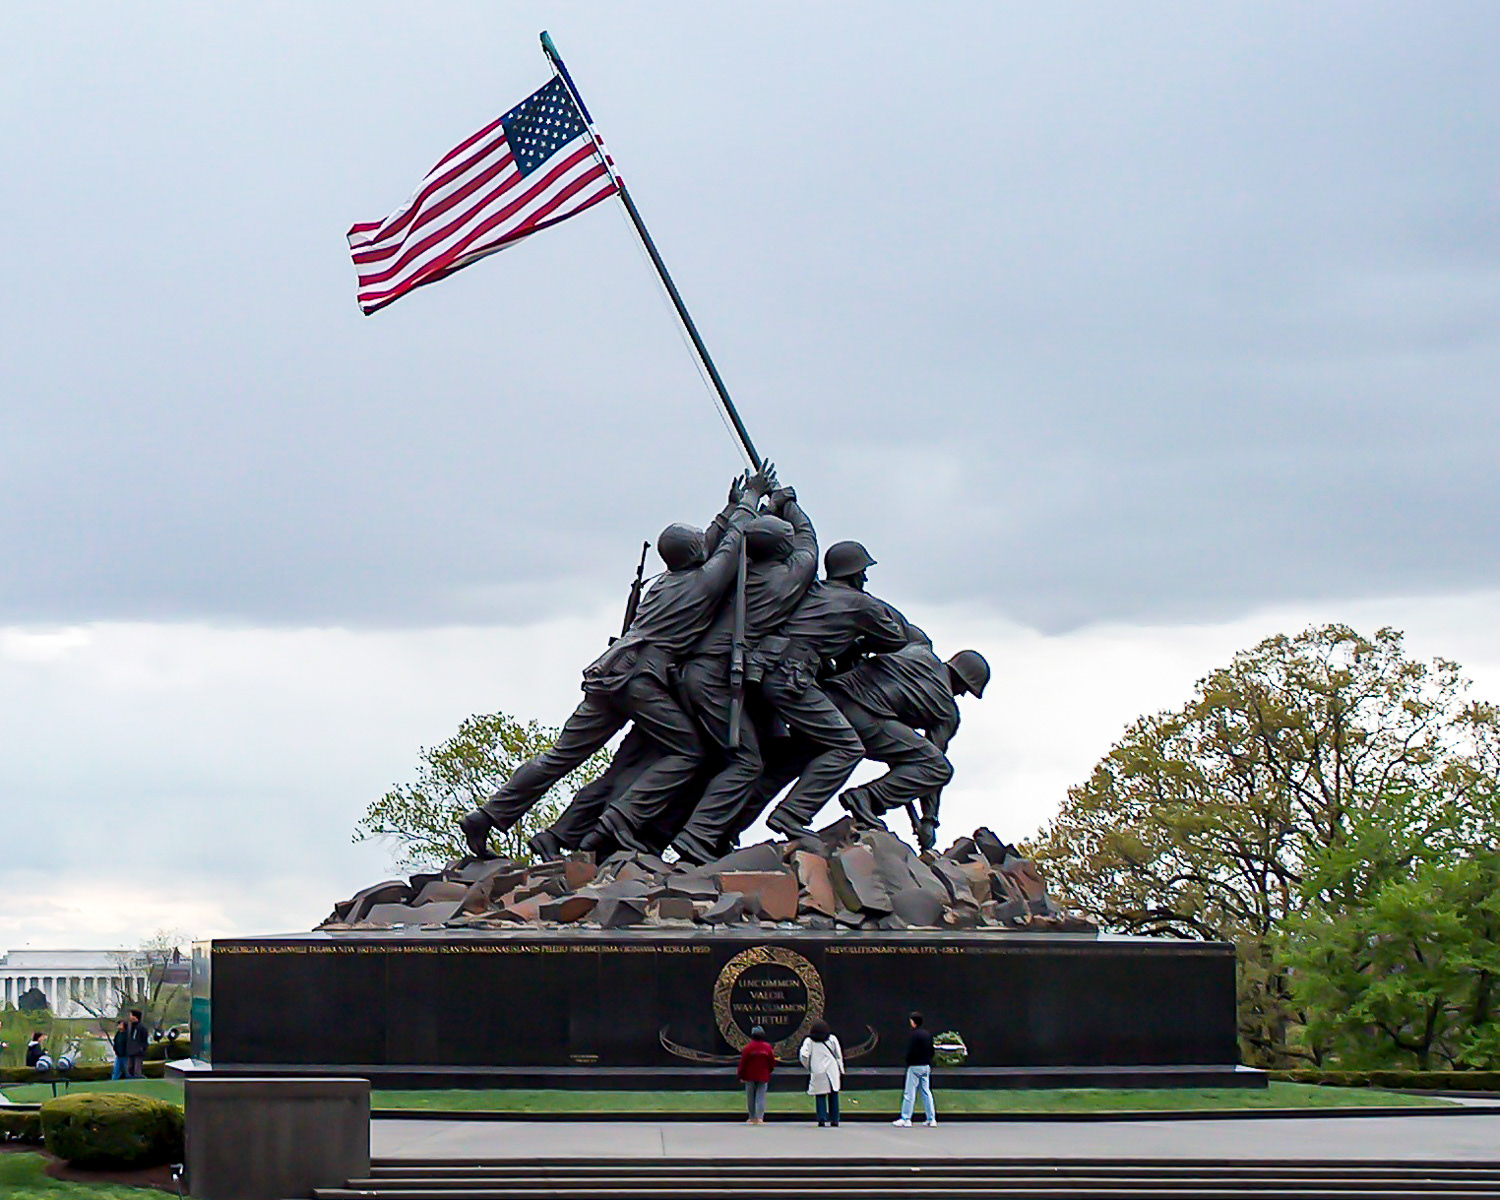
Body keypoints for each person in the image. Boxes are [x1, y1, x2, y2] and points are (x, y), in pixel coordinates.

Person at [458, 469, 771, 860]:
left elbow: (711, 542)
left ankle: (487, 816)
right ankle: (620, 820)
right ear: (696, 555)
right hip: (641, 680)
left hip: (609, 673)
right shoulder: (702, 583)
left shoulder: (665, 582)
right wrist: (749, 502)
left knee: (560, 757)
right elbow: (729, 547)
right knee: (689, 751)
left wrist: (729, 507)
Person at [893, 1011, 936, 1127]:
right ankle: (931, 1119)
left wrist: (908, 1061)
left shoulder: (914, 1035)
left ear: (913, 1022)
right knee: (926, 1092)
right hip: (926, 1066)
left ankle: (906, 1118)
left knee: (909, 1093)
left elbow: (911, 1051)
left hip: (914, 1066)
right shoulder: (927, 1034)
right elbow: (932, 1051)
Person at [798, 1018, 844, 1127]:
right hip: (832, 1070)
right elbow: (838, 1054)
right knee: (833, 1094)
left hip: (818, 1070)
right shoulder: (832, 1039)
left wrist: (809, 1066)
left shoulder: (809, 1041)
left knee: (820, 1095)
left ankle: (822, 1118)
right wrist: (841, 1069)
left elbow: (803, 1055)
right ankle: (835, 1119)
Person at [736, 1024, 776, 1125]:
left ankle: (752, 1117)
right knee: (761, 1097)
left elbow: (743, 1063)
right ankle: (760, 1118)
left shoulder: (748, 1048)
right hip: (763, 1076)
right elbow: (772, 1062)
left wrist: (741, 1075)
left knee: (750, 1097)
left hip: (749, 1076)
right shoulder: (767, 1048)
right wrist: (769, 1071)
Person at [123, 1008, 149, 1079]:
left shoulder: (141, 1028)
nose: (130, 1017)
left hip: (138, 1052)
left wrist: (142, 1049)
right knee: (129, 1070)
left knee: (137, 1070)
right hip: (130, 1052)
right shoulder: (130, 1027)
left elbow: (144, 1040)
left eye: (131, 1016)